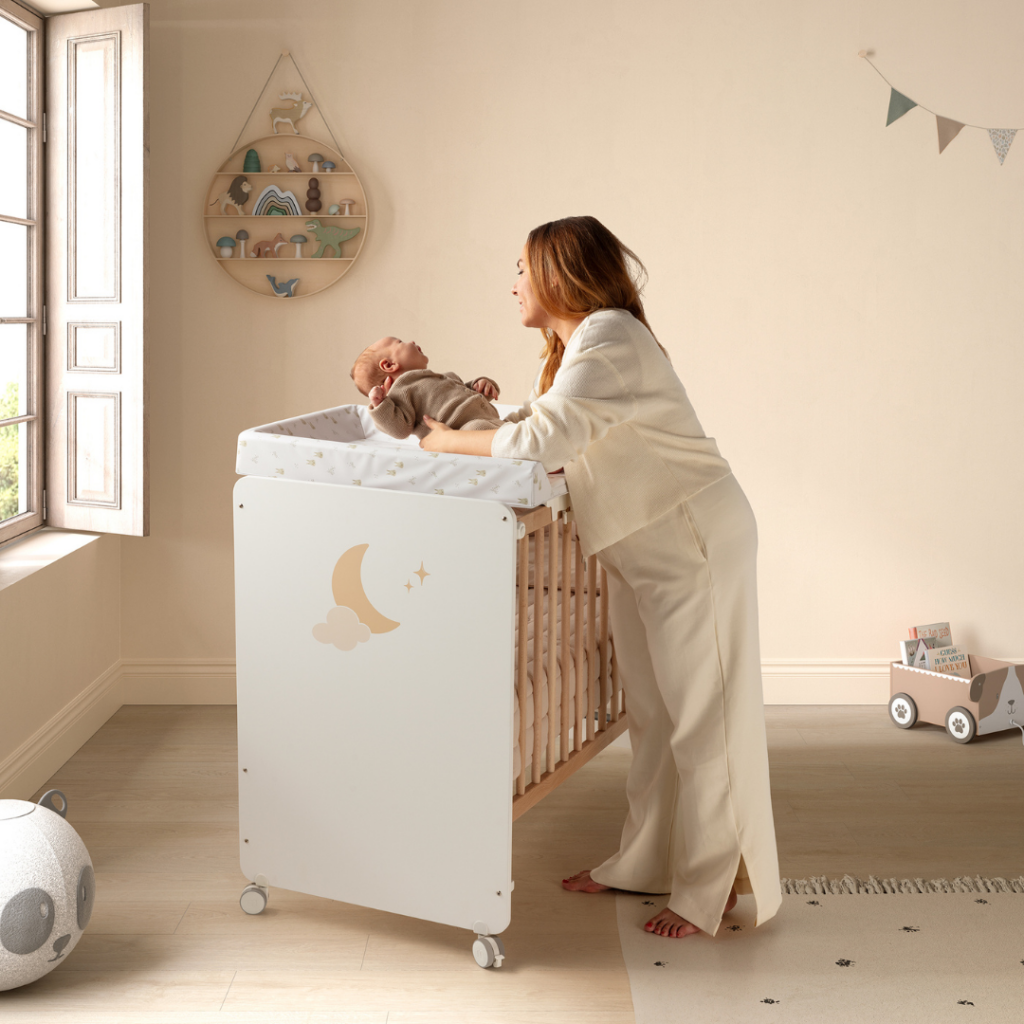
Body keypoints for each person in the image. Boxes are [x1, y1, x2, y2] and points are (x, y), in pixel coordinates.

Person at [419, 216, 781, 939]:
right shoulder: (576, 350)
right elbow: (542, 423)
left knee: (704, 720)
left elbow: (536, 441)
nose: (512, 283)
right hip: (642, 549)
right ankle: (645, 863)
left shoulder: (610, 335)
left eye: (521, 269)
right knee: (653, 717)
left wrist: (446, 441)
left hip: (691, 540)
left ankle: (708, 891)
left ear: (559, 275)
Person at [350, 335, 503, 440]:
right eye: (400, 342)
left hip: (491, 420)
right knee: (478, 428)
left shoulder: (443, 377)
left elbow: (468, 393)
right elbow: (400, 430)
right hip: (462, 432)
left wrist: (482, 384)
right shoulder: (402, 393)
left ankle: (509, 433)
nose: (411, 341)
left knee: (511, 423)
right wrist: (380, 405)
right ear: (389, 365)